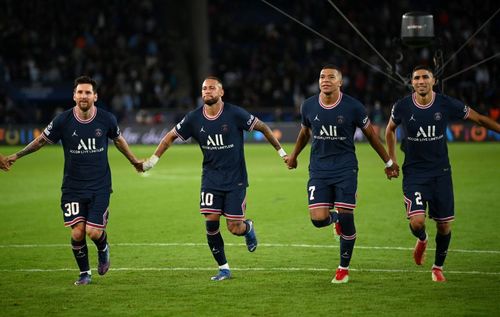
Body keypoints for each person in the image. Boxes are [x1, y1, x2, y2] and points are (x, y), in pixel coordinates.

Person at [142, 76, 288, 281]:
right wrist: (152, 161)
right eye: (204, 88)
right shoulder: (194, 118)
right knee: (211, 223)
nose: (207, 91)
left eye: (212, 88)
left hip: (235, 179)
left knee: (234, 228)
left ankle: (248, 228)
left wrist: (282, 153)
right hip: (211, 178)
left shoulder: (235, 113)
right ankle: (224, 268)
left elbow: (262, 126)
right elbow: (170, 136)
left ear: (221, 92)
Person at [6, 76, 143, 285]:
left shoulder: (106, 119)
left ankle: (103, 247)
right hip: (72, 186)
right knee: (78, 232)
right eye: (80, 92)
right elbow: (41, 140)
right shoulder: (63, 120)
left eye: (88, 92)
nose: (83, 96)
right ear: (74, 96)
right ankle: (84, 273)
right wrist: (16, 155)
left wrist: (134, 161)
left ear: (95, 96)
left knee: (93, 231)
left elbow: (118, 140)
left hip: (99, 185)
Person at [385, 65, 500, 282]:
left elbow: (479, 119)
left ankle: (437, 267)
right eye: (416, 78)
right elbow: (389, 129)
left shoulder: (446, 103)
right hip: (415, 174)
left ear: (433, 80)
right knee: (417, 222)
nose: (421, 81)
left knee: (444, 225)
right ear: (412, 82)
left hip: (441, 173)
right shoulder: (402, 106)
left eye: (425, 77)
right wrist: (391, 160)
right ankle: (422, 238)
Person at [286, 65, 399, 284]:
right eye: (321, 76)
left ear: (340, 82)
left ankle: (343, 267)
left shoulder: (353, 107)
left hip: (345, 169)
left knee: (348, 218)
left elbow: (372, 136)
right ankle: (334, 218)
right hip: (318, 169)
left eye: (331, 77)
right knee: (318, 220)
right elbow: (305, 132)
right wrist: (293, 155)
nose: (325, 80)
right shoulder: (308, 105)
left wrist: (388, 161)